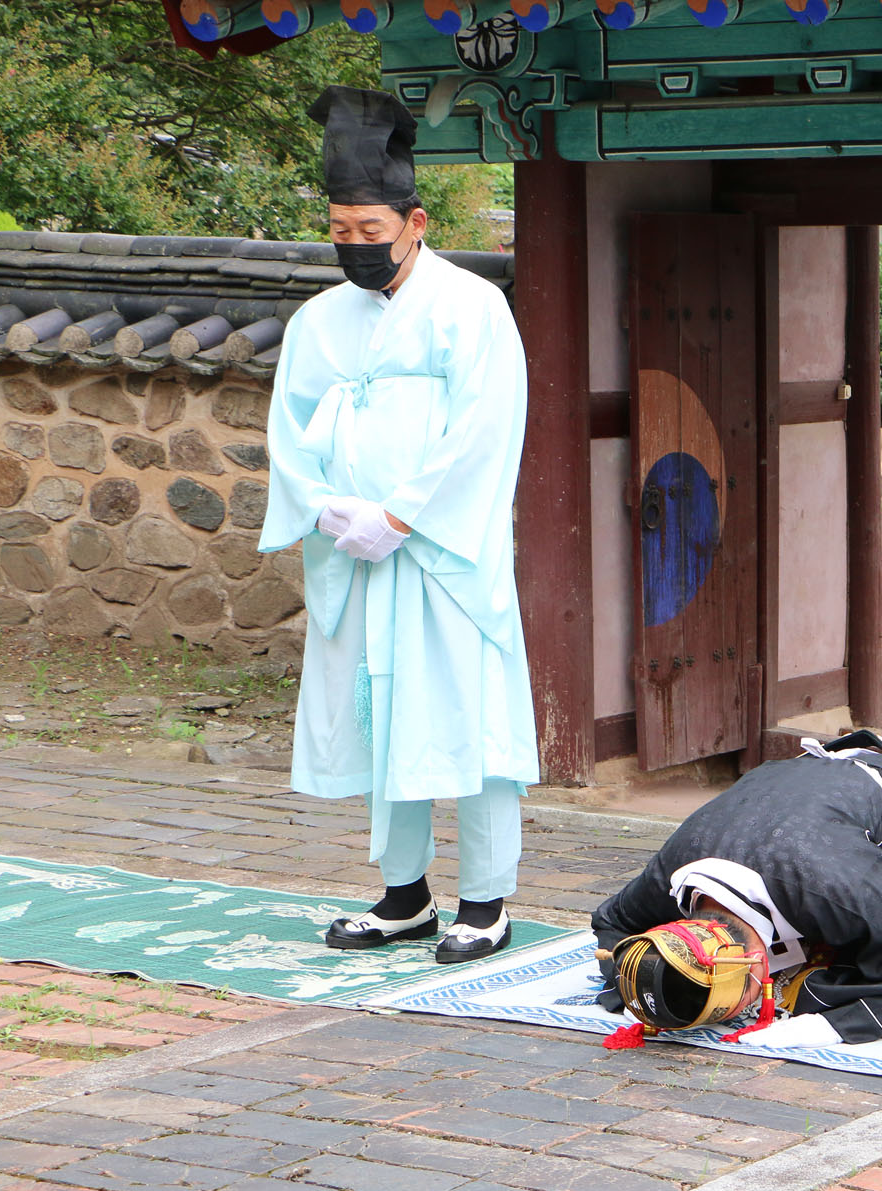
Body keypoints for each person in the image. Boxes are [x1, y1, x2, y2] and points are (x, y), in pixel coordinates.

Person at [258, 86, 537, 965]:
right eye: (341, 235)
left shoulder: (472, 308)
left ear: (414, 222)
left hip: (443, 559)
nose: (355, 251)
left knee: (469, 717)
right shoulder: (317, 320)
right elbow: (288, 427)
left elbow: (486, 429)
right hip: (358, 554)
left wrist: (402, 514)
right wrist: (326, 507)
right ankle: (404, 895)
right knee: (387, 718)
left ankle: (486, 901)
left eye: (370, 236)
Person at [590, 733, 882, 1048]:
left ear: (757, 963)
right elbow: (611, 921)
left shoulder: (828, 881)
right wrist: (632, 980)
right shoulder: (671, 875)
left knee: (880, 958)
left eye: (744, 1001)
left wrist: (834, 1025)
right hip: (782, 783)